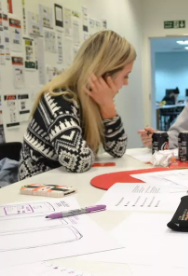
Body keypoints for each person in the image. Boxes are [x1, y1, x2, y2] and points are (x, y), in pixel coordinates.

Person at [19, 30, 134, 179]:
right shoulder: (57, 98)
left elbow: (118, 150)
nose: (126, 83)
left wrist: (108, 109)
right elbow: (79, 161)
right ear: (106, 73)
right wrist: (106, 104)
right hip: (38, 190)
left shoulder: (94, 100)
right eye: (125, 76)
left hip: (68, 185)